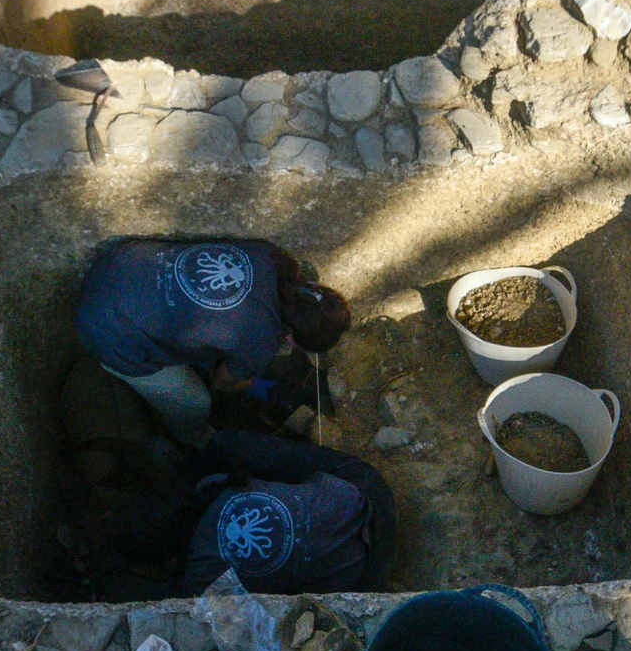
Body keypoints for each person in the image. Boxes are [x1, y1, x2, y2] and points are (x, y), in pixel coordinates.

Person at [75, 237, 351, 447]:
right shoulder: (260, 342)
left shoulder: (270, 256)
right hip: (107, 333)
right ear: (291, 338)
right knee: (195, 402)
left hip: (117, 265)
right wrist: (246, 381)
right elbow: (223, 382)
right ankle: (192, 437)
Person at [175, 430, 396, 595]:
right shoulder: (215, 484)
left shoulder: (198, 577)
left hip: (361, 580)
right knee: (229, 445)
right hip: (373, 496)